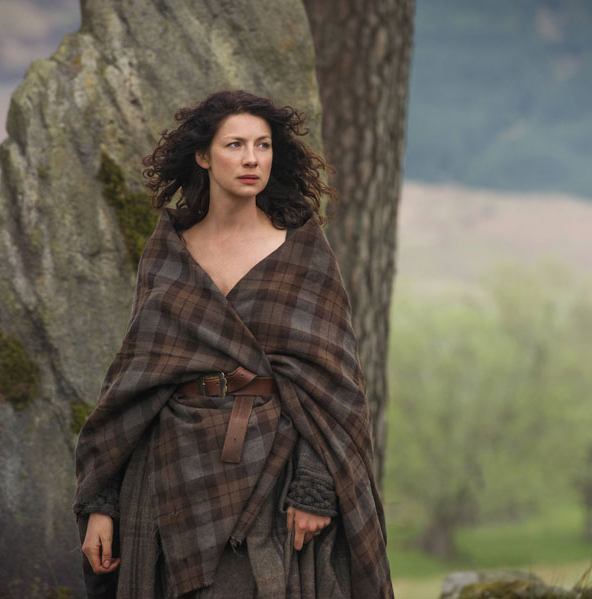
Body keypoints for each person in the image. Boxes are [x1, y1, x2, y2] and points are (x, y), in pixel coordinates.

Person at [73, 90, 393, 599]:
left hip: (272, 472)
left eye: (263, 145)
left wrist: (315, 486)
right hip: (167, 473)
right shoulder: (168, 251)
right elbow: (132, 385)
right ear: (204, 156)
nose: (251, 159)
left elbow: (332, 388)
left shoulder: (302, 252)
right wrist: (101, 504)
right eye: (235, 145)